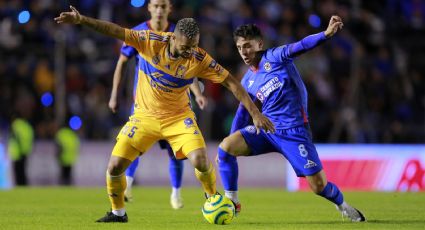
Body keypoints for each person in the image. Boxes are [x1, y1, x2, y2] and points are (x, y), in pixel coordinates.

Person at [55, 6, 275, 223]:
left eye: (195, 46)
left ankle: (211, 196)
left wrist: (255, 113)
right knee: (114, 167)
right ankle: (118, 213)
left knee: (199, 160)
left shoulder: (198, 58)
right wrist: (82, 19)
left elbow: (232, 83)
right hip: (144, 118)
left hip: (179, 119)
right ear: (173, 39)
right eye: (187, 47)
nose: (191, 52)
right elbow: (114, 30)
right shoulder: (149, 41)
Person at [217, 16, 366, 222]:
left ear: (259, 44)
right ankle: (231, 201)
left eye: (248, 46)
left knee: (318, 186)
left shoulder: (276, 57)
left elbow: (301, 46)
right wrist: (232, 135)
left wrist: (326, 34)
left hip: (294, 132)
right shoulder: (248, 79)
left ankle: (342, 205)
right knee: (225, 148)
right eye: (240, 47)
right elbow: (244, 112)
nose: (244, 52)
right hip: (268, 129)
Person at [109, 0, 208, 209]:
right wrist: (114, 95)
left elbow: (188, 71)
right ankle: (128, 186)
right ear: (149, 8)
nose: (160, 10)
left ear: (170, 8)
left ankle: (176, 193)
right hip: (144, 104)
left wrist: (198, 94)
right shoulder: (139, 33)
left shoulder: (180, 33)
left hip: (174, 107)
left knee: (176, 152)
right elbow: (122, 63)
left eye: (164, 6)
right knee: (132, 146)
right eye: (156, 6)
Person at [8, 117, 34, 186]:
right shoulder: (27, 127)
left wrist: (20, 150)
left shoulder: (16, 125)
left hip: (18, 153)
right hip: (25, 151)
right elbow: (31, 139)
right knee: (22, 171)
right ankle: (23, 186)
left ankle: (20, 185)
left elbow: (17, 139)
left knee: (18, 171)